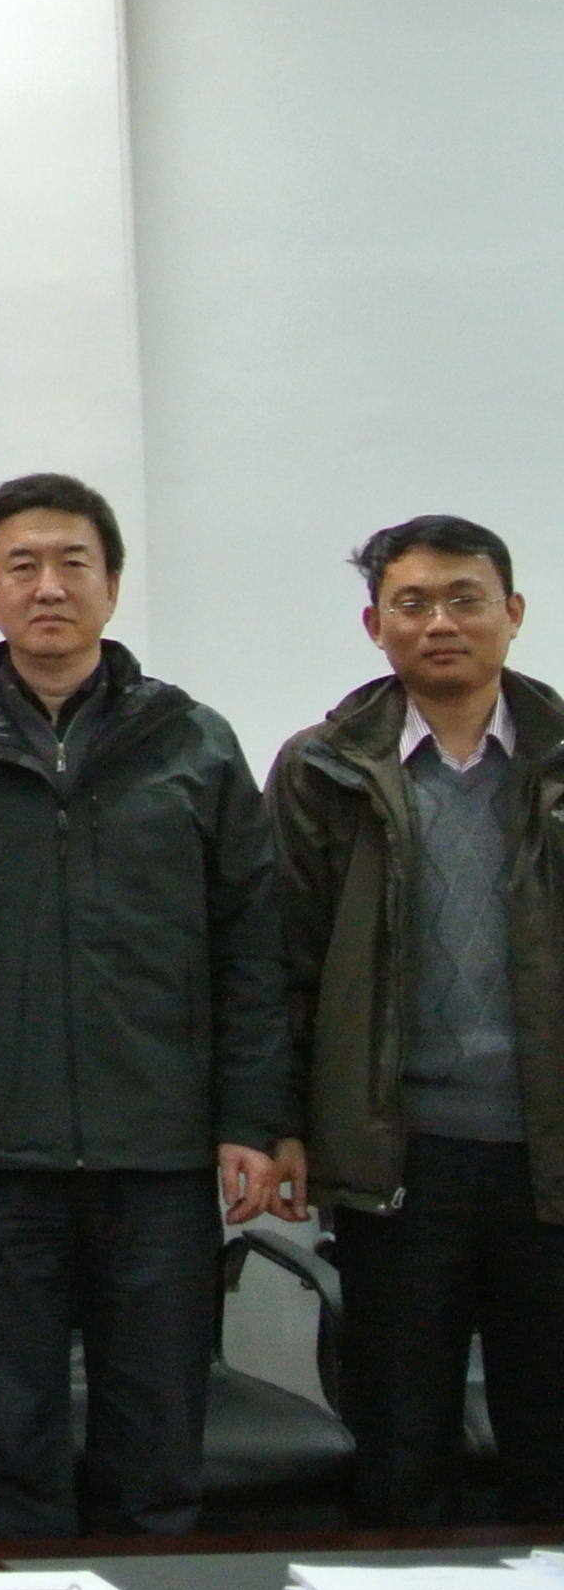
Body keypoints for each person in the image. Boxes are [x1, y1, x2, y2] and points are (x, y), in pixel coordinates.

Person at [0, 473, 289, 1540]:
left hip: (157, 1151)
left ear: (111, 584)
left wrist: (249, 1118)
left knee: (154, 1435)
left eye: (72, 564)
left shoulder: (191, 741)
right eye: (22, 566)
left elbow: (251, 947)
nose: (48, 587)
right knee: (6, 1439)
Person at [269, 513, 564, 1524]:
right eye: (413, 603)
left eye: (464, 599)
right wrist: (282, 1123)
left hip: (548, 1157)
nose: (440, 622)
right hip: (399, 1158)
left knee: (551, 1445)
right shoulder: (323, 770)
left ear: (512, 613)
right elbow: (283, 964)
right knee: (401, 1447)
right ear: (374, 625)